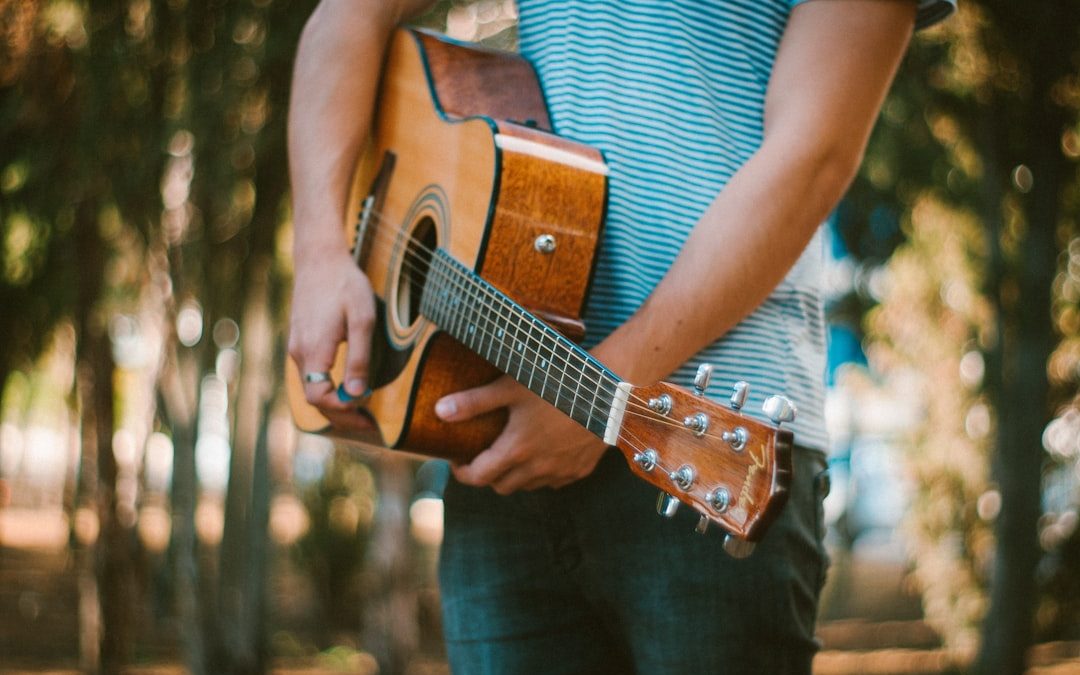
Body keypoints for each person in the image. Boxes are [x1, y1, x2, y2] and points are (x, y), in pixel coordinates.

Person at [287, 0, 955, 672]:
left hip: (706, 447)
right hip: (503, 442)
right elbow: (346, 17)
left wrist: (606, 389)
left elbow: (814, 154)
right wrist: (321, 254)